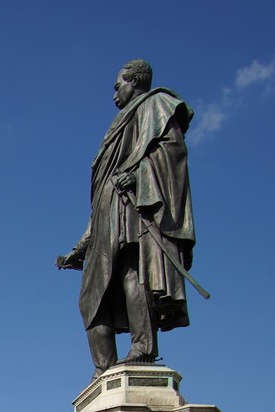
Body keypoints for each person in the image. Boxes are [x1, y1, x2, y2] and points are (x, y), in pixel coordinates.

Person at [57, 59, 196, 378]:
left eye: (117, 85)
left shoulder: (157, 106)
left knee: (132, 274)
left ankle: (143, 348)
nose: (114, 94)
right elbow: (99, 194)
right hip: (107, 213)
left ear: (134, 81)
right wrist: (80, 247)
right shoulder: (121, 121)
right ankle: (104, 368)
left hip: (133, 207)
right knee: (90, 297)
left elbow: (173, 155)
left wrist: (138, 176)